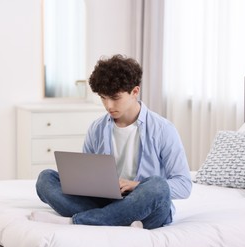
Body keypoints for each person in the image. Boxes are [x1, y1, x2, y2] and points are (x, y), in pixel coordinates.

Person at [32, 54, 192, 229]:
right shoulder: (96, 128)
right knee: (45, 179)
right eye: (103, 98)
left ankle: (78, 220)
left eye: (115, 98)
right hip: (105, 201)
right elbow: (86, 176)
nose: (108, 105)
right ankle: (116, 218)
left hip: (145, 204)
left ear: (135, 92)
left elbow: (184, 185)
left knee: (158, 186)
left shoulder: (163, 129)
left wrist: (135, 186)